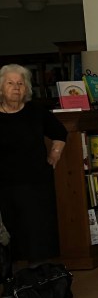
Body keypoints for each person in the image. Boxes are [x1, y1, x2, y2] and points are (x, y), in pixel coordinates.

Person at [0, 63, 67, 268]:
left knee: (37, 234)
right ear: (1, 88)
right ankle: (13, 279)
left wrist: (54, 156)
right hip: (4, 184)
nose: (16, 87)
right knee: (10, 234)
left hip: (36, 182)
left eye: (20, 83)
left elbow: (60, 133)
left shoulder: (37, 112)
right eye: (10, 83)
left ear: (27, 88)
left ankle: (37, 279)